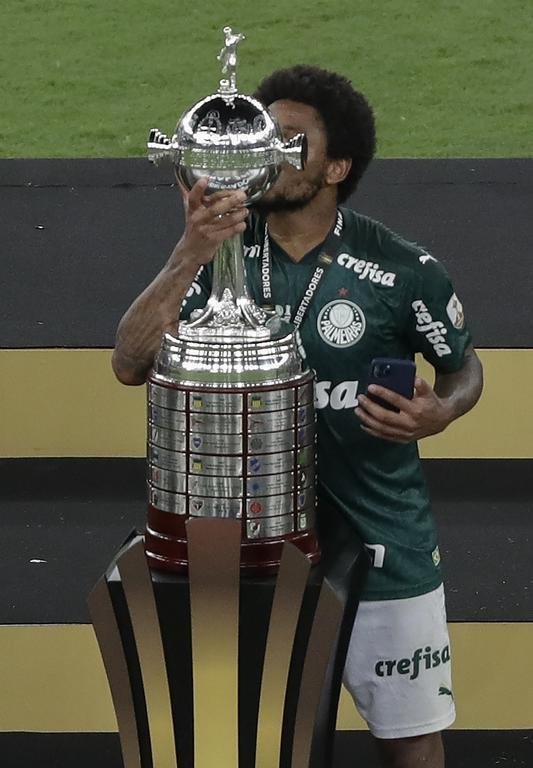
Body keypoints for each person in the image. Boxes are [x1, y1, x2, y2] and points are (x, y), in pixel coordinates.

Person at [112, 65, 483, 768]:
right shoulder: (216, 251)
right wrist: (191, 249)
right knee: (247, 744)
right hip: (249, 553)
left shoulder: (401, 269)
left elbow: (463, 366)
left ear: (336, 166)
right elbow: (130, 363)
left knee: (411, 742)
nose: (266, 152)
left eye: (288, 140)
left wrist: (440, 411)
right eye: (259, 135)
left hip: (383, 545)